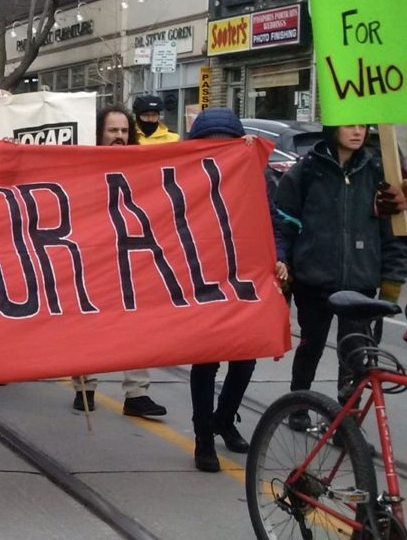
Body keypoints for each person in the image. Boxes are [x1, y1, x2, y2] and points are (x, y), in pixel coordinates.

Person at [276, 122, 407, 434]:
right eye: (349, 125)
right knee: (311, 347)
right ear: (333, 129)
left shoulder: (379, 173)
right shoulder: (306, 172)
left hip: (361, 284)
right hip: (314, 281)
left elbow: (394, 233)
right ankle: (299, 404)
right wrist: (285, 266)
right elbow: (283, 223)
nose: (357, 131)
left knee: (357, 358)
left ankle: (345, 425)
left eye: (362, 126)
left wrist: (391, 286)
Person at [184, 107, 285, 472]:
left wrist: (280, 257)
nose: (218, 149)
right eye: (210, 144)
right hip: (204, 281)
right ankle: (203, 437)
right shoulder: (185, 178)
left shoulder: (258, 177)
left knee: (244, 358)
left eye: (225, 144)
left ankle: (223, 417)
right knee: (206, 361)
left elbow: (274, 222)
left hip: (245, 281)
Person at [72, 106, 165, 418]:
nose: (119, 137)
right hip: (89, 253)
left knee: (137, 323)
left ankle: (137, 393)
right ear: (99, 132)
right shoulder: (77, 162)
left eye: (124, 131)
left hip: (129, 254)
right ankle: (84, 387)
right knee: (88, 322)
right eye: (113, 131)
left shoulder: (142, 164)